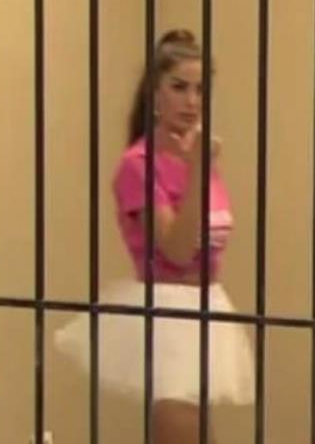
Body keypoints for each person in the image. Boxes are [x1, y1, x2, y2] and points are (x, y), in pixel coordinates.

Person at [54, 29, 254, 444]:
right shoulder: (139, 165)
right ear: (155, 94)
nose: (192, 101)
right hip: (167, 315)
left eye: (200, 90)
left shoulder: (196, 158)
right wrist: (198, 169)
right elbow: (177, 249)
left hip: (206, 308)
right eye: (179, 88)